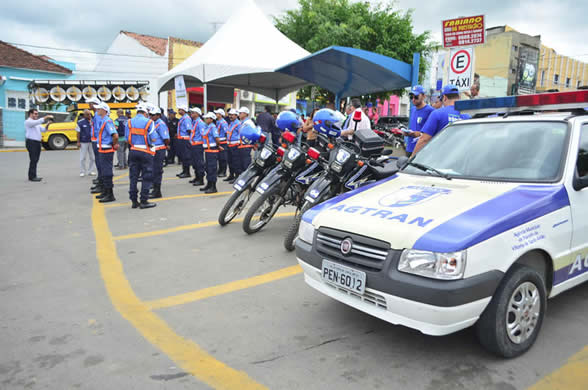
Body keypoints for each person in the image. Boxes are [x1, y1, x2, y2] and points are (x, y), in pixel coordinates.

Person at [412, 84, 471, 156]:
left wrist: (411, 158)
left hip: (440, 160)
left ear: (445, 98)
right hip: (460, 158)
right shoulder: (467, 116)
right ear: (459, 97)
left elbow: (424, 140)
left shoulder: (437, 114)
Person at [126, 104, 156, 209]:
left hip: (133, 150)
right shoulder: (149, 122)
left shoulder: (129, 122)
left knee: (133, 177)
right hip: (145, 151)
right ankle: (144, 200)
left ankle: (134, 201)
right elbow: (153, 138)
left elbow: (127, 138)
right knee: (147, 177)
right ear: (145, 112)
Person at [94, 102, 119, 202]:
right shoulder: (103, 120)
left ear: (104, 110)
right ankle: (105, 191)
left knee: (107, 171)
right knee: (104, 171)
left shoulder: (107, 121)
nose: (97, 110)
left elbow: (115, 135)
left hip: (106, 148)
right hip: (102, 147)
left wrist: (114, 144)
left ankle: (110, 194)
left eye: (99, 109)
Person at [404, 85, 434, 157]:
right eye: (411, 97)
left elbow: (431, 133)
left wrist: (416, 134)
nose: (413, 99)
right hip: (409, 148)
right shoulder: (413, 109)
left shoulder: (430, 111)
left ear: (424, 96)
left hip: (421, 150)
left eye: (416, 97)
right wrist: (407, 133)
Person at [24, 108, 53, 181]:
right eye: (35, 113)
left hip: (37, 143)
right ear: (31, 114)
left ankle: (34, 175)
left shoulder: (36, 123)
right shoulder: (28, 122)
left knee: (36, 160)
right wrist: (46, 117)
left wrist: (48, 124)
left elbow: (43, 130)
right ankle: (32, 177)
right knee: (33, 159)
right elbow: (38, 121)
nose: (37, 115)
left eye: (37, 113)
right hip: (31, 142)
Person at [148, 107, 170, 199]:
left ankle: (157, 191)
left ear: (158, 115)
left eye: (153, 115)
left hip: (159, 149)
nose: (151, 116)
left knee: (157, 170)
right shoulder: (153, 123)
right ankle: (154, 188)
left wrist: (166, 146)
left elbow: (166, 138)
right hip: (154, 149)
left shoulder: (161, 124)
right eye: (150, 115)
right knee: (153, 169)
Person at [200, 112, 222, 193]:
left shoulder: (213, 127)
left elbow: (217, 138)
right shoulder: (207, 127)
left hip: (212, 150)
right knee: (208, 168)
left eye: (207, 118)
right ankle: (209, 184)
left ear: (211, 119)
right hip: (208, 150)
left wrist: (218, 145)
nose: (205, 119)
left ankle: (213, 187)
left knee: (212, 168)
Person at [189, 107, 206, 186]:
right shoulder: (194, 122)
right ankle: (197, 177)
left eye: (193, 112)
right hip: (193, 144)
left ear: (197, 114)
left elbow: (203, 134)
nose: (191, 114)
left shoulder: (200, 123)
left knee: (199, 162)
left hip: (198, 145)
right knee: (194, 162)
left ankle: (200, 179)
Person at [76, 109, 95, 177]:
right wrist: (78, 142)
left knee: (92, 157)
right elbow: (78, 133)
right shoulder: (80, 122)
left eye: (90, 114)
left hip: (92, 141)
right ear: (84, 115)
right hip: (83, 142)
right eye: (87, 114)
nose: (89, 115)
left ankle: (91, 171)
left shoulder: (93, 121)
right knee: (83, 158)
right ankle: (82, 171)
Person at [224, 108, 241, 183]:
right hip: (229, 145)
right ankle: (231, 175)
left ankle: (237, 177)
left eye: (232, 115)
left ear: (236, 115)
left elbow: (240, 134)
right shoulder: (231, 123)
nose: (230, 116)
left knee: (236, 162)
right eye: (229, 115)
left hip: (235, 145)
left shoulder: (238, 124)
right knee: (230, 161)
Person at [237, 107, 255, 174]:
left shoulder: (248, 123)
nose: (239, 114)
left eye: (240, 113)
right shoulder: (242, 122)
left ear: (245, 114)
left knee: (245, 164)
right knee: (241, 164)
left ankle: (248, 182)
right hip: (241, 146)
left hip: (246, 146)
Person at [175, 106, 192, 178]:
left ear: (184, 110)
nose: (179, 111)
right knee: (182, 156)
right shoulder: (182, 118)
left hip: (185, 139)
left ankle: (187, 172)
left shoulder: (186, 118)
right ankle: (184, 170)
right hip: (181, 139)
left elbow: (189, 129)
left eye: (180, 110)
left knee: (186, 156)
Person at [214, 108, 229, 177]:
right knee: (219, 158)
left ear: (220, 115)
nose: (216, 114)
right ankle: (220, 170)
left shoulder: (223, 123)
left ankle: (223, 171)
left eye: (217, 113)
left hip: (223, 141)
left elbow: (227, 132)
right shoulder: (218, 122)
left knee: (223, 158)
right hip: (219, 141)